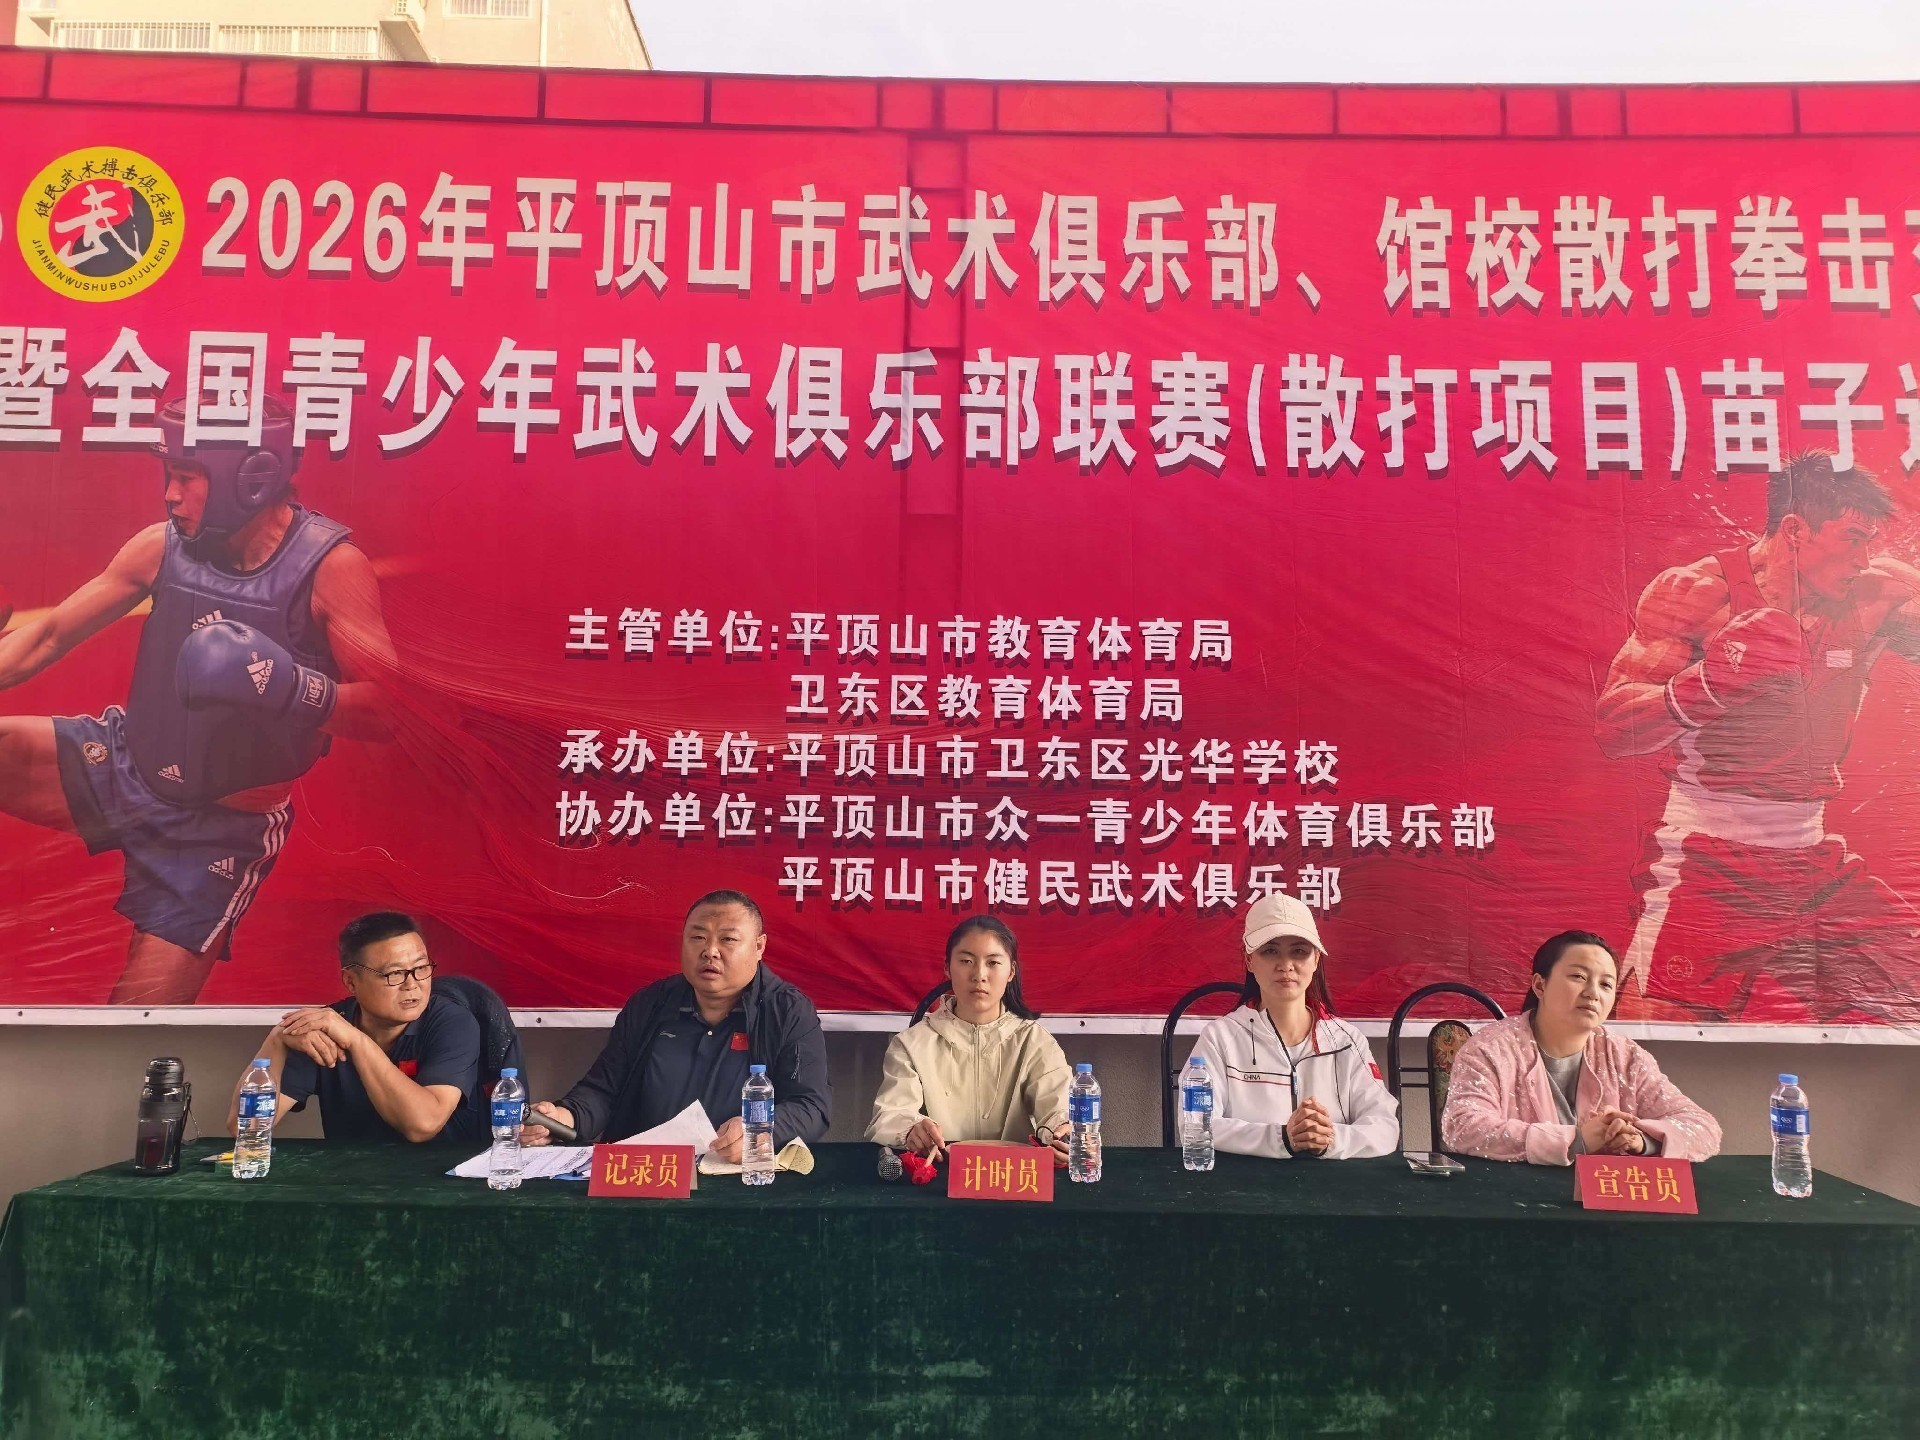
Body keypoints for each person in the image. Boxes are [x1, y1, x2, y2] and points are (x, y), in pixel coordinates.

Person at [0, 394, 396, 1004]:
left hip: (220, 831)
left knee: (137, 1024)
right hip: (125, 764)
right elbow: (48, 636)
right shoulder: (161, 546)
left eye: (187, 477)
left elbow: (388, 710)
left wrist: (289, 687)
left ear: (251, 477)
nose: (170, 495)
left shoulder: (330, 568)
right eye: (170, 475)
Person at [1596, 452, 1920, 1023]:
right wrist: (1707, 686)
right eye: (1851, 539)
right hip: (1709, 859)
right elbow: (1615, 728)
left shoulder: (1877, 594)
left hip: (1815, 858)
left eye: (1870, 542)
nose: (1863, 559)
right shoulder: (1698, 593)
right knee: (1658, 1042)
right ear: (1795, 529)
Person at [524, 890, 830, 1161]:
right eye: (698, 938)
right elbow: (604, 1090)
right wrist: (564, 1117)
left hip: (735, 1173)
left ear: (759, 946)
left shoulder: (787, 1011)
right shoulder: (650, 1004)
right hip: (649, 1173)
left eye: (728, 939)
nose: (710, 951)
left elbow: (811, 1106)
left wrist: (759, 1130)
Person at [1441, 931, 1723, 1165]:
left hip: (1608, 1199)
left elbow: (1703, 1127)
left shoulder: (1625, 1056)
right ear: (1540, 985)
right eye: (1578, 977)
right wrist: (1576, 1140)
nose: (1593, 993)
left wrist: (1642, 1139)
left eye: (1606, 984)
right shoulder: (1491, 1049)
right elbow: (1462, 1126)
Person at [227, 911, 482, 1145]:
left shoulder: (452, 1022)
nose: (412, 984)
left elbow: (423, 1125)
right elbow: (245, 1127)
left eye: (421, 968)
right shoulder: (323, 1030)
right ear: (350, 981)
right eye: (394, 973)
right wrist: (277, 1040)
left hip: (444, 1173)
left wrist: (357, 1041)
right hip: (351, 1175)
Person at [1188, 893, 1399, 1160]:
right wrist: (1281, 1137)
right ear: (1249, 960)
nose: (1286, 965)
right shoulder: (1219, 1038)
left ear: (1316, 959)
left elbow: (1385, 1127)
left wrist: (1329, 1138)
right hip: (1245, 1182)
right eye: (1270, 951)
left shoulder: (1347, 1040)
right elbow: (1195, 1124)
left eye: (1299, 951)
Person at [866, 915, 1072, 1161]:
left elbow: (1058, 1108)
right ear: (947, 967)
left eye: (993, 962)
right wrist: (911, 1129)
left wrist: (1062, 1130)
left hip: (1013, 1174)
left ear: (1011, 971)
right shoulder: (911, 1044)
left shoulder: (1034, 1042)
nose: (979, 975)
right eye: (966, 961)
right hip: (941, 1172)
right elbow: (890, 1113)